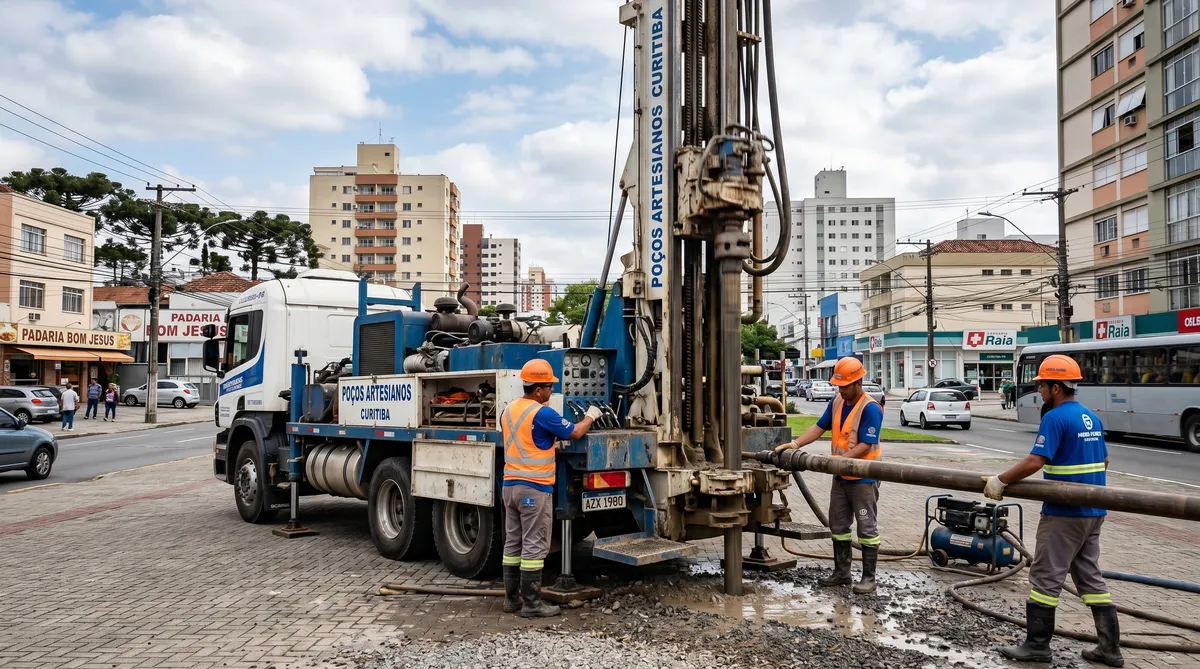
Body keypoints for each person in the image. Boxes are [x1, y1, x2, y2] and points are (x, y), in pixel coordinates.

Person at [982, 354, 1122, 667]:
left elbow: (1035, 460)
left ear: (1056, 387)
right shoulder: (1090, 417)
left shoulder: (1055, 418)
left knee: (1046, 576)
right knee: (1090, 576)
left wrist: (1000, 481)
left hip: (1064, 513)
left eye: (1043, 385)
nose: (1041, 391)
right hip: (1094, 511)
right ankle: (1109, 648)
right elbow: (1105, 460)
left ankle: (1036, 645)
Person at [775, 356, 884, 595]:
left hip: (863, 479)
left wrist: (838, 461)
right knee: (838, 525)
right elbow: (819, 427)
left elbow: (866, 445)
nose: (840, 389)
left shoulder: (870, 408)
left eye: (844, 386)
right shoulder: (836, 402)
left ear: (858, 382)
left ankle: (869, 578)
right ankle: (842, 573)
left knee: (866, 528)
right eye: (838, 385)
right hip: (841, 477)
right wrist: (794, 444)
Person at [501, 359, 600, 618]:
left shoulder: (508, 410)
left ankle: (511, 600)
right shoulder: (543, 413)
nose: (551, 392)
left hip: (510, 486)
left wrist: (548, 445)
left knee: (513, 543)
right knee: (534, 545)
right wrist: (590, 416)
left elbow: (526, 441)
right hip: (534, 488)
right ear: (537, 390)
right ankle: (532, 604)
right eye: (549, 387)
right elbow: (575, 432)